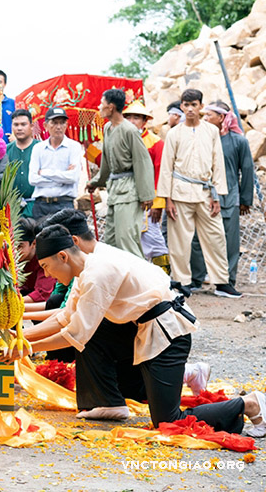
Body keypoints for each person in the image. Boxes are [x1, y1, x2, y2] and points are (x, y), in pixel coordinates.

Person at [19, 224, 265, 437]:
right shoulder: (86, 268)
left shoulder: (96, 273)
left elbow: (75, 335)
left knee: (169, 421)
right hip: (140, 331)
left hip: (168, 334)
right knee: (97, 333)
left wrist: (24, 348)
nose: (47, 273)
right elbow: (66, 317)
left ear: (63, 256)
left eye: (46, 266)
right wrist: (20, 337)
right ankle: (109, 402)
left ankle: (250, 403)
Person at [158, 89, 238, 298]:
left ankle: (221, 281)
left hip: (205, 192)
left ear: (201, 106)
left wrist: (218, 196)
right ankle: (181, 281)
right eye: (186, 105)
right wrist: (167, 199)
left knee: (216, 236)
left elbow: (217, 162)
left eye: (194, 105)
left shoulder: (211, 131)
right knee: (179, 241)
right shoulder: (174, 133)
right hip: (180, 193)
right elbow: (166, 167)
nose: (190, 109)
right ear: (182, 106)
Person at [189, 101, 255, 292]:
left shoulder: (238, 141)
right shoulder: (199, 138)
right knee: (196, 239)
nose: (205, 118)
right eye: (205, 115)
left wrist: (245, 199)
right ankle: (196, 280)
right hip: (200, 197)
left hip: (229, 198)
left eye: (209, 115)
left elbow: (247, 169)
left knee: (229, 242)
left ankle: (225, 283)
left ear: (222, 118)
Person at [86, 89, 154, 258]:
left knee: (127, 239)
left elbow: (142, 161)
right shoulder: (108, 128)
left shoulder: (129, 130)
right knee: (111, 239)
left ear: (111, 107)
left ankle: (141, 281)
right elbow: (106, 163)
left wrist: (146, 194)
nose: (99, 107)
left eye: (102, 103)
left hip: (130, 190)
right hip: (115, 190)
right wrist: (96, 181)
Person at [121, 101, 170, 272]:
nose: (132, 121)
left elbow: (160, 174)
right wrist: (90, 150)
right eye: (128, 117)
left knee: (154, 242)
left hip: (147, 202)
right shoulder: (119, 140)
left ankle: (164, 281)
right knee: (128, 243)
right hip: (125, 199)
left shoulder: (155, 143)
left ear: (144, 122)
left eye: (136, 118)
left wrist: (157, 204)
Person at [27, 107, 83, 220]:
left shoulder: (74, 147)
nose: (58, 127)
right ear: (46, 126)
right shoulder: (38, 148)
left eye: (62, 123)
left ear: (66, 125)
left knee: (66, 236)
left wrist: (45, 172)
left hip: (64, 203)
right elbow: (33, 179)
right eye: (54, 123)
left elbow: (73, 177)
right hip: (41, 205)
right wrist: (62, 179)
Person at [5, 109, 38, 217]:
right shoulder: (5, 151)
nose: (19, 128)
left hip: (37, 207)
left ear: (31, 126)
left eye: (23, 124)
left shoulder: (41, 149)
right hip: (12, 209)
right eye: (16, 124)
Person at [17, 217, 56, 304]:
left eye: (19, 246)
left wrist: (12, 303)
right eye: (12, 245)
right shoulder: (8, 257)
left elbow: (42, 294)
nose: (15, 251)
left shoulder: (44, 259)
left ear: (33, 243)